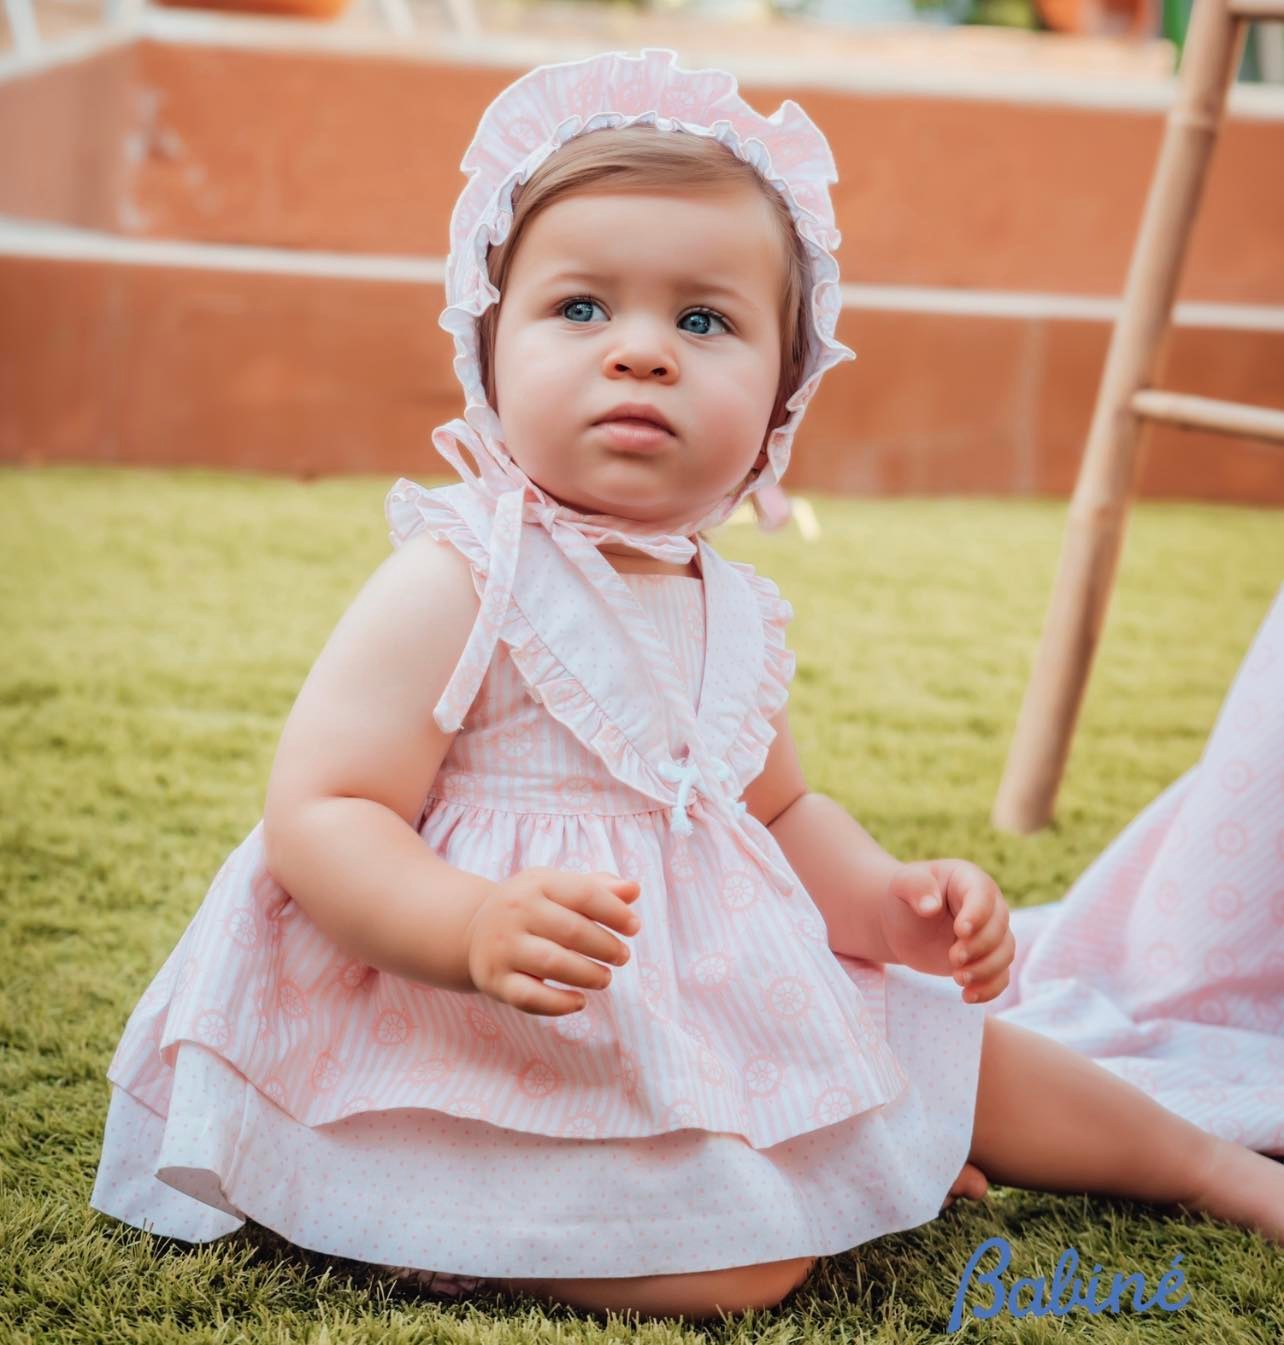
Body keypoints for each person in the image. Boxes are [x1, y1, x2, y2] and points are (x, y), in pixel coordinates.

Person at [89, 48, 1284, 1325]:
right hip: (485, 1023)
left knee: (955, 1049)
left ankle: (1207, 1164)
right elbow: (321, 813)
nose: (643, 353)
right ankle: (435, 1204)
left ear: (783, 391)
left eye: (704, 321)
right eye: (582, 310)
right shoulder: (460, 576)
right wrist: (469, 927)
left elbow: (773, 814)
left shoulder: (727, 604)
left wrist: (888, 903)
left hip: (705, 999)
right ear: (488, 349)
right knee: (746, 1269)